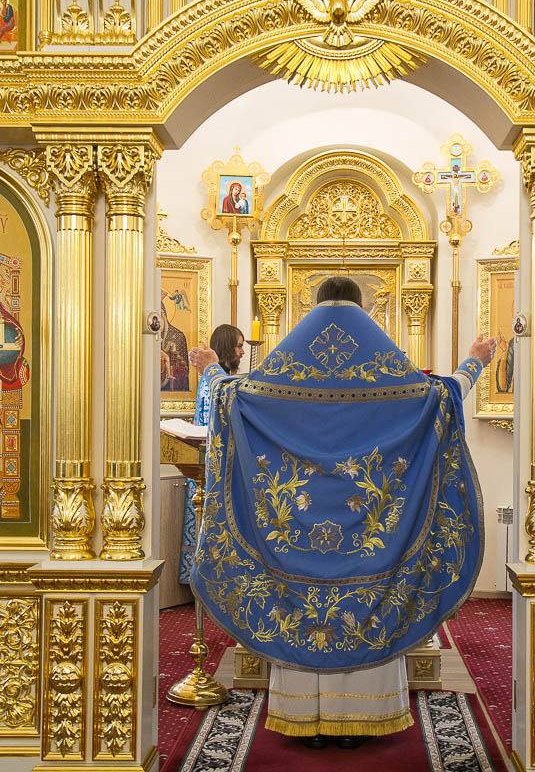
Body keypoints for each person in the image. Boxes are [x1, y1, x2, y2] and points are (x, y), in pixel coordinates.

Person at [189, 276, 495, 746]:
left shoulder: (288, 365)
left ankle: (304, 720)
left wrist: (211, 368)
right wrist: (475, 360)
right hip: (370, 537)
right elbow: (442, 396)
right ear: (361, 306)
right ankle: (362, 720)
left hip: (296, 536)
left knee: (298, 602)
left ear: (315, 304)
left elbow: (233, 396)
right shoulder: (385, 367)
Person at [179, 324, 245, 584]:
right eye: (239, 346)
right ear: (228, 347)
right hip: (210, 465)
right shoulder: (215, 384)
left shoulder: (221, 380)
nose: (242, 352)